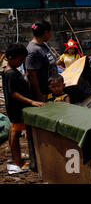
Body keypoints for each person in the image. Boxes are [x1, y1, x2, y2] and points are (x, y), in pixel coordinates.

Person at [1, 43, 45, 174]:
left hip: (16, 108)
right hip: (16, 108)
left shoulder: (12, 71)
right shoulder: (10, 73)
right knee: (15, 132)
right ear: (9, 58)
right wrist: (31, 101)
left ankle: (17, 158)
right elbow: (13, 93)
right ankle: (18, 162)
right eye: (19, 60)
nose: (21, 62)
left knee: (15, 131)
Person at [25, 21, 58, 102]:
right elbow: (31, 76)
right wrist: (39, 96)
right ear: (46, 32)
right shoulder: (33, 51)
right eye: (51, 32)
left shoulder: (44, 44)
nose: (51, 34)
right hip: (43, 94)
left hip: (51, 90)